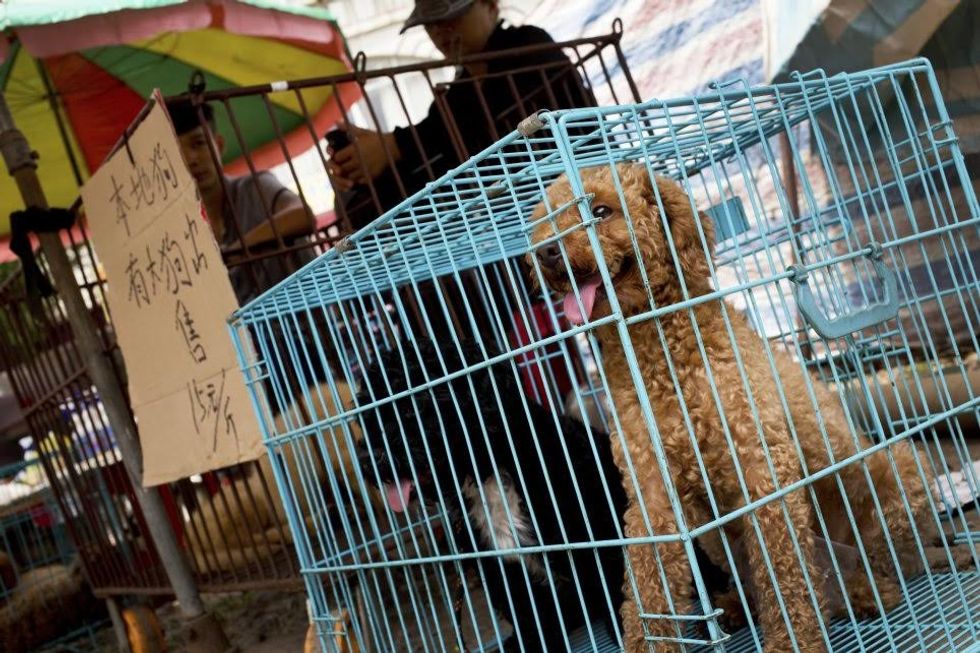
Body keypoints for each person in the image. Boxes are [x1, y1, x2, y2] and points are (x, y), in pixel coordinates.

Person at [327, 0, 594, 228]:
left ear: (489, 6)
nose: (441, 31)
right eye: (430, 25)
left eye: (451, 17)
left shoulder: (528, 45)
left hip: (588, 190)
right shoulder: (457, 94)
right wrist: (365, 167)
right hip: (524, 216)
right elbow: (434, 156)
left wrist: (394, 145)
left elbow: (490, 119)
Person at [166, 99, 316, 307]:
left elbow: (302, 216)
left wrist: (234, 252)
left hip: (308, 323)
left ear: (218, 145)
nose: (191, 159)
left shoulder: (254, 187)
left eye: (198, 143)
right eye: (178, 152)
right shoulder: (182, 229)